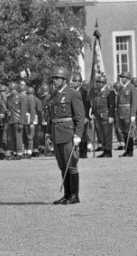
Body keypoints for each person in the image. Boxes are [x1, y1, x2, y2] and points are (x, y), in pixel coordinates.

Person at [45, 67, 84, 205]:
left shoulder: (72, 94)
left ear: (64, 79)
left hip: (68, 133)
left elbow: (80, 116)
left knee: (71, 165)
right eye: (53, 78)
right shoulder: (54, 95)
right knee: (62, 165)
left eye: (57, 78)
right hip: (56, 132)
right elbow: (51, 115)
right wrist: (49, 133)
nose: (54, 81)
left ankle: (74, 195)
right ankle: (67, 195)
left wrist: (78, 135)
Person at [92, 75, 115, 158]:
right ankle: (104, 150)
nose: (99, 84)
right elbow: (95, 104)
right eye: (98, 82)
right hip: (98, 115)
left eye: (101, 82)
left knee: (107, 134)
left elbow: (112, 105)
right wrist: (93, 113)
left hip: (106, 115)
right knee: (101, 134)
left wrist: (111, 116)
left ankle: (108, 151)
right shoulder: (97, 92)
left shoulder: (109, 92)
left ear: (104, 83)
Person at [116, 71, 137, 157]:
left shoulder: (132, 88)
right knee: (124, 132)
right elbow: (118, 102)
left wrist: (133, 114)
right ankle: (126, 150)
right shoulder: (121, 88)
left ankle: (130, 151)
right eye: (121, 77)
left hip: (128, 113)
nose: (122, 79)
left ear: (128, 78)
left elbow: (134, 102)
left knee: (129, 132)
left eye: (124, 77)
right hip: (121, 112)